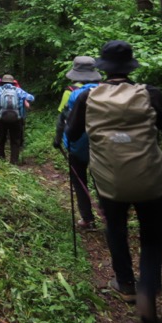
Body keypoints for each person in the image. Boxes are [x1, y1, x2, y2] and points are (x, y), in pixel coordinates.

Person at [65, 41, 162, 323]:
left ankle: (126, 283)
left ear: (102, 68)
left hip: (109, 181)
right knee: (152, 238)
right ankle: (147, 290)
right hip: (151, 180)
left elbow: (73, 132)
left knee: (115, 229)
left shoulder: (87, 99)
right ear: (131, 67)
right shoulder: (150, 94)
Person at [54, 56, 102, 231]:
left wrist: (58, 139)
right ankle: (108, 214)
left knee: (79, 181)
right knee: (102, 181)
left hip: (78, 145)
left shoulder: (73, 94)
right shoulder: (108, 91)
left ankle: (88, 219)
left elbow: (63, 119)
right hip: (103, 146)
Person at [0, 74, 35, 164]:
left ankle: (1, 160)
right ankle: (14, 161)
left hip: (1, 118)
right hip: (16, 118)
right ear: (13, 82)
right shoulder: (18, 90)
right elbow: (31, 98)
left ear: (2, 82)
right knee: (15, 140)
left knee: (1, 139)